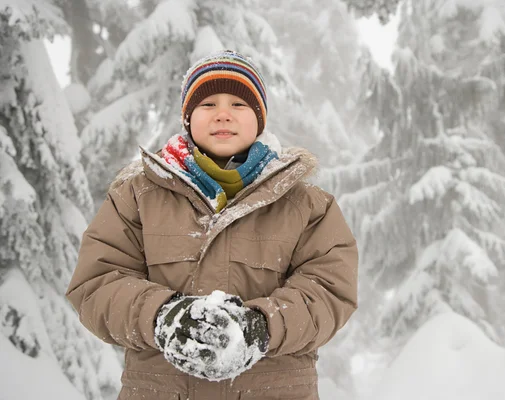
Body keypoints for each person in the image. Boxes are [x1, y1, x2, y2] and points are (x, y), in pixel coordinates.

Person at [66, 49, 358, 400]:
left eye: (238, 104)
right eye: (207, 105)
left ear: (259, 119)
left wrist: (260, 328)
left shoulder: (308, 206)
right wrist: (163, 316)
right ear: (188, 118)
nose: (223, 114)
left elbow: (329, 289)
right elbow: (97, 283)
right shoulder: (137, 196)